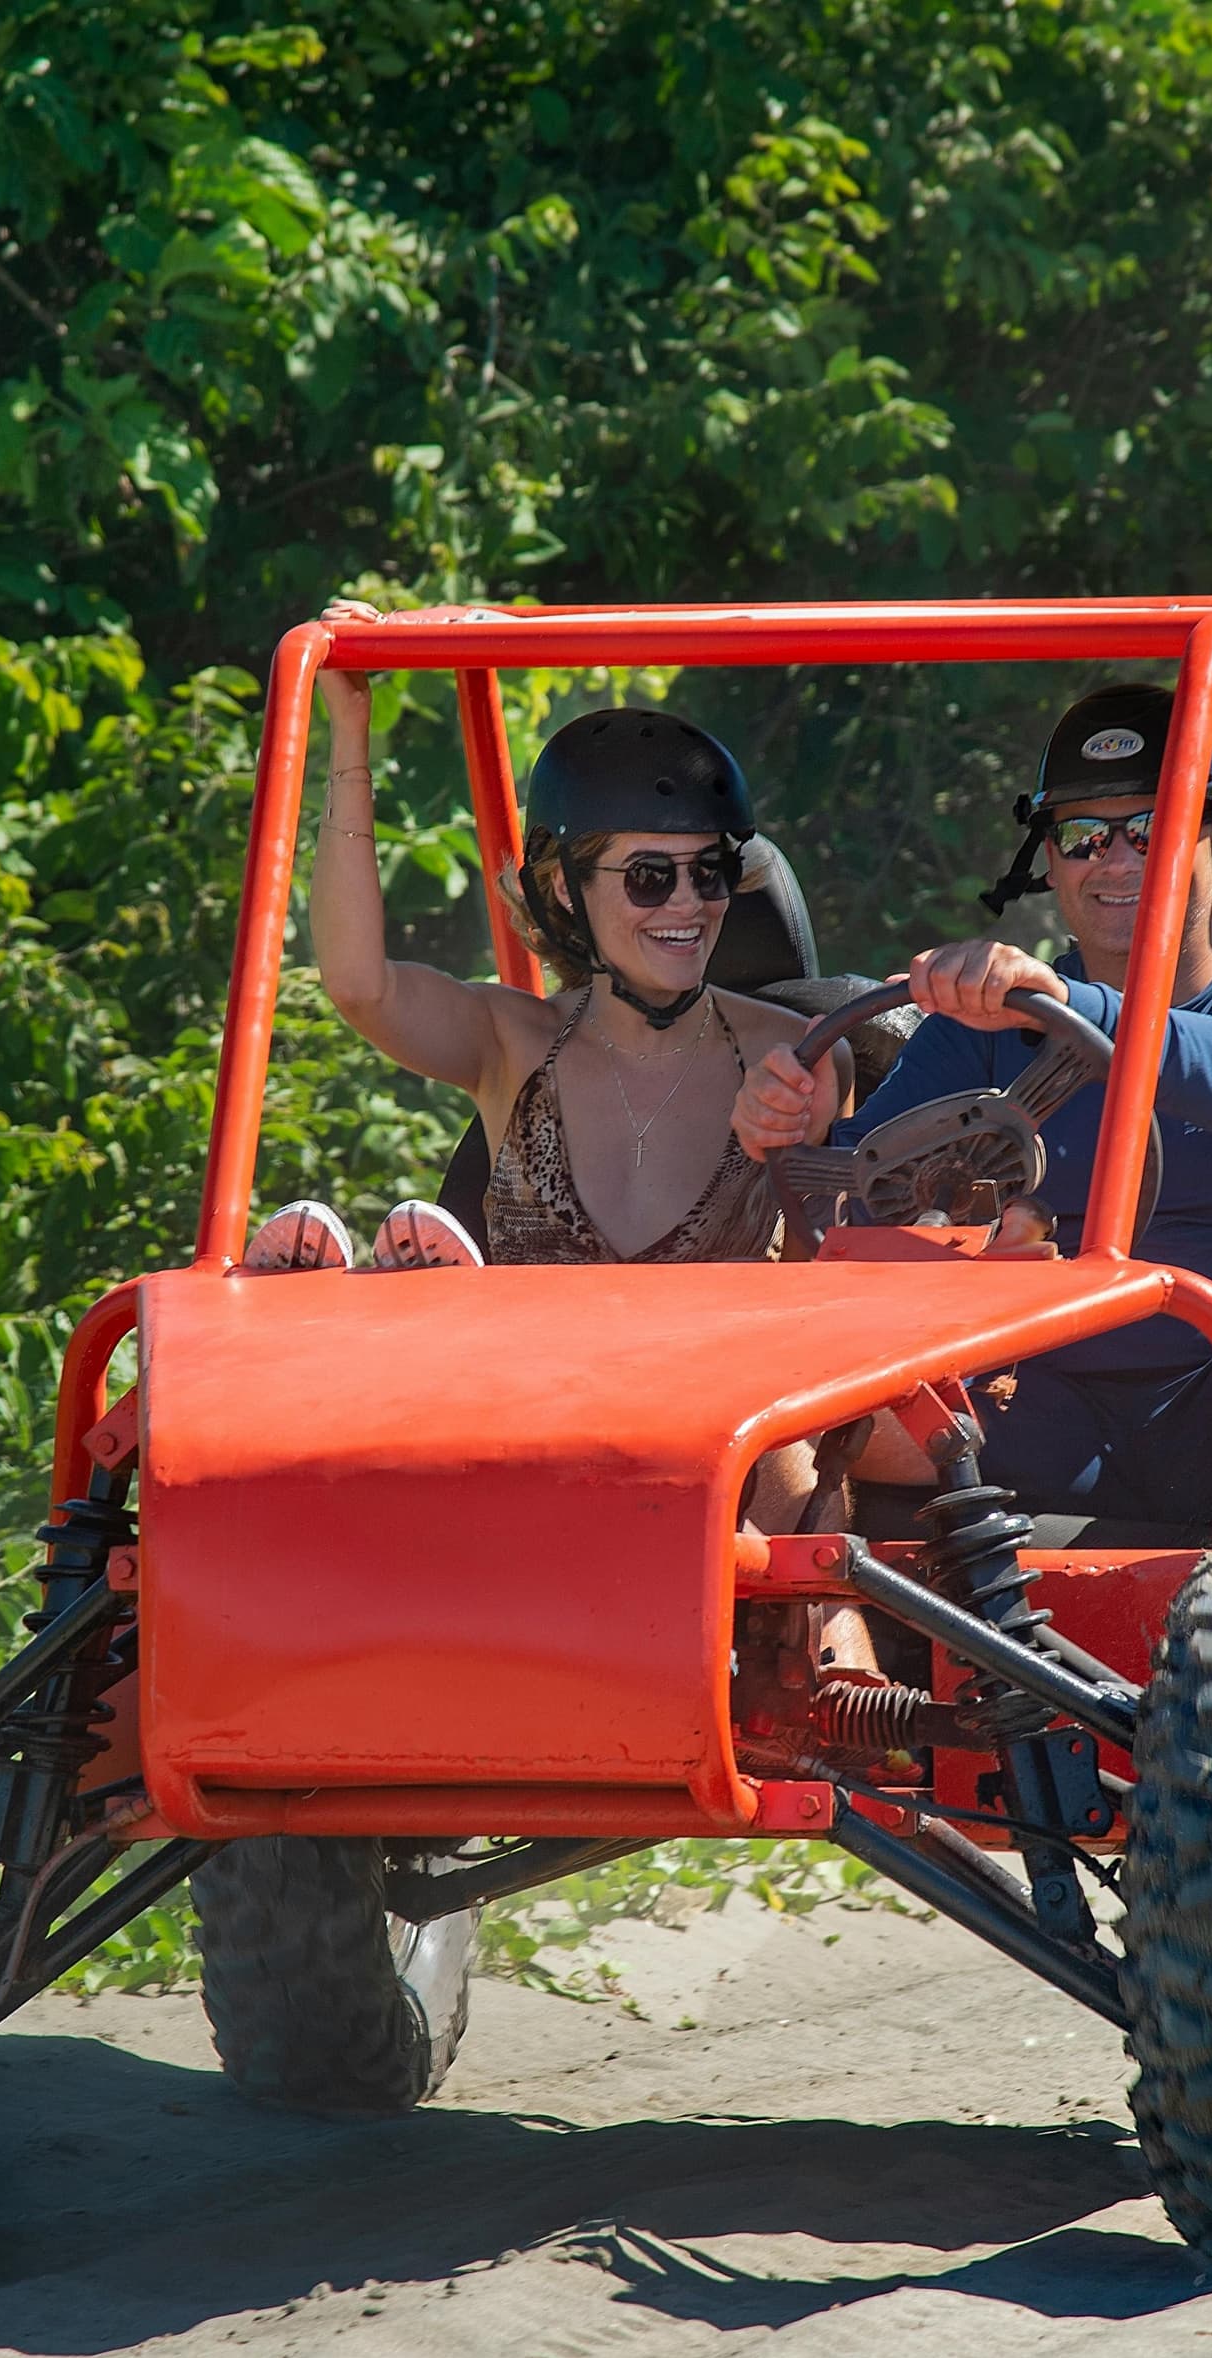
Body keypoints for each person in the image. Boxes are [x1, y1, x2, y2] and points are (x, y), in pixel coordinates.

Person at [262, 600, 875, 1673]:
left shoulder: (799, 1048)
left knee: (784, 1439)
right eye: (649, 876)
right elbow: (356, 986)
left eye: (710, 870)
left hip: (724, 1461)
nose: (687, 904)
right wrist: (348, 732)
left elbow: (851, 1227)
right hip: (533, 1441)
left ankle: (830, 1653)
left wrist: (801, 1132)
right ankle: (364, 1337)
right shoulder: (513, 1038)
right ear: (561, 886)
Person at [730, 682, 1212, 1533]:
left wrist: (1087, 1010)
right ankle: (814, 1654)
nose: (1115, 860)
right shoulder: (993, 1028)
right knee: (767, 1386)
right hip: (1047, 1404)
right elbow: (857, 1201)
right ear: (1051, 860)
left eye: (1149, 828)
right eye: (1081, 836)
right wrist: (799, 1130)